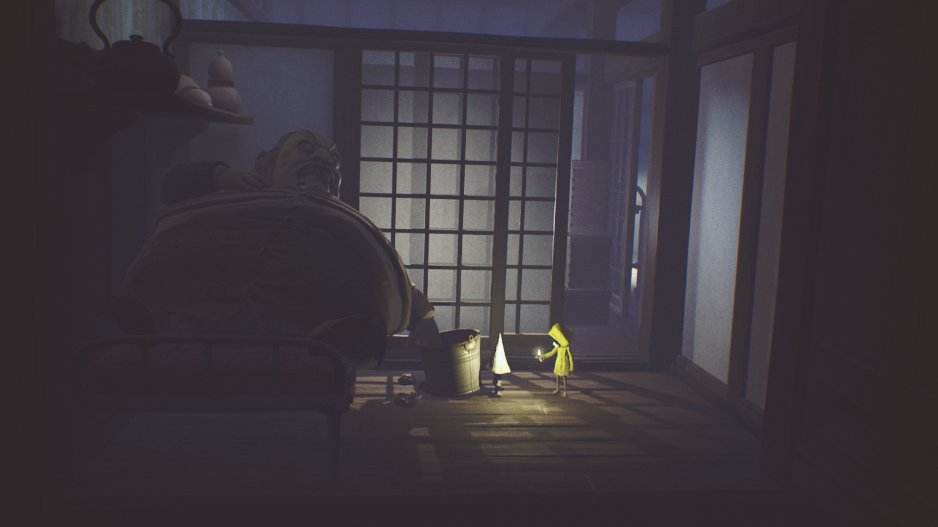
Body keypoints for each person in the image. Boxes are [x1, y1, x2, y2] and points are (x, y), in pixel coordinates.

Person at [114, 130, 440, 367]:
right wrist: (220, 175)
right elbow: (171, 185)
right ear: (267, 162)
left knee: (354, 290)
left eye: (333, 159)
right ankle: (152, 306)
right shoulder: (238, 194)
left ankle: (333, 333)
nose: (324, 159)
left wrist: (422, 314)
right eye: (305, 148)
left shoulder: (338, 216)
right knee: (180, 248)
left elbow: (390, 272)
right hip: (210, 293)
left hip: (300, 313)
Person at [538, 322, 573, 397]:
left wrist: (572, 367)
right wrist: (543, 356)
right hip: (558, 363)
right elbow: (551, 353)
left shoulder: (567, 347)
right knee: (557, 376)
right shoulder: (558, 347)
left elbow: (570, 357)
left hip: (565, 364)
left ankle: (565, 391)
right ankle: (558, 388)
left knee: (564, 377)